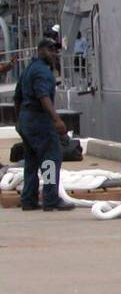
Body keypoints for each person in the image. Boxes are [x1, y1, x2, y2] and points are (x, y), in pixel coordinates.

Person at [14, 37, 72, 211]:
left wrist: (19, 120)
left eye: (55, 50)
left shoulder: (29, 69)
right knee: (51, 159)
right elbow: (43, 97)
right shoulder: (42, 72)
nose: (53, 54)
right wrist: (57, 120)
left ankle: (28, 200)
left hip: (26, 119)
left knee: (31, 161)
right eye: (50, 50)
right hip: (39, 120)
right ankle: (51, 199)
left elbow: (17, 96)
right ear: (40, 51)